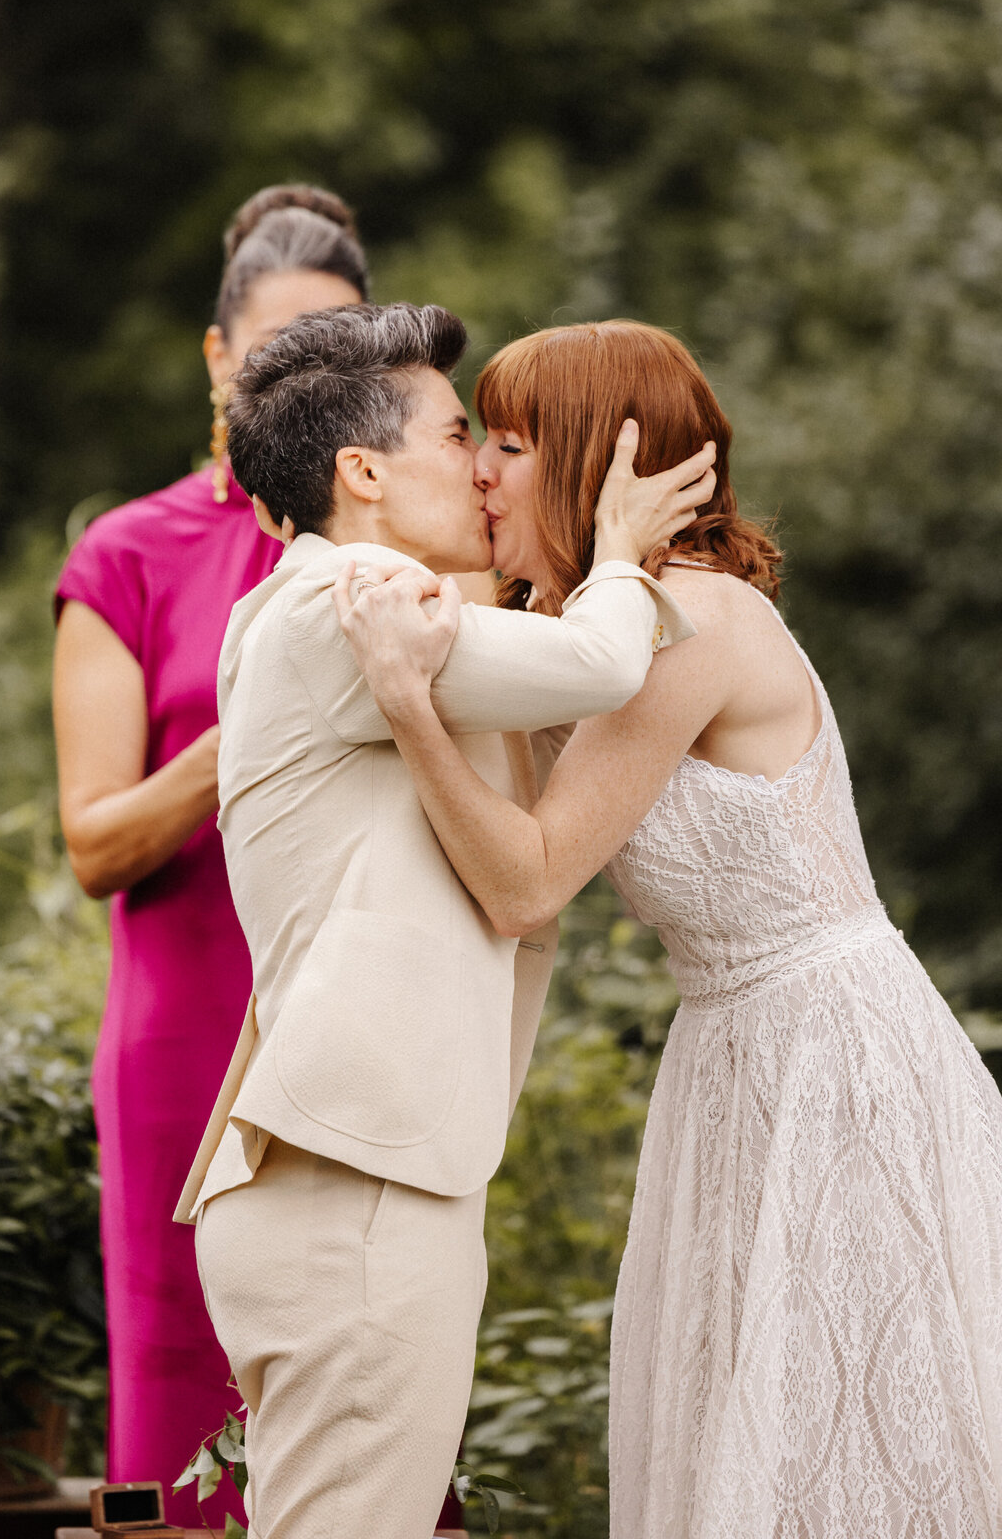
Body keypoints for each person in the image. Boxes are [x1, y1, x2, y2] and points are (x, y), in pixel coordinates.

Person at [336, 319, 1002, 1539]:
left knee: (833, 1438)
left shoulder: (691, 619)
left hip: (831, 1057)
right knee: (733, 1423)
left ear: (598, 460)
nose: (481, 468)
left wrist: (407, 709)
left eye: (515, 443)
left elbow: (529, 883)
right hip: (731, 1053)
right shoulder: (586, 625)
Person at [172, 301, 716, 1539]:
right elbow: (601, 666)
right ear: (361, 472)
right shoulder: (351, 601)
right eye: (456, 433)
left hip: (345, 1182)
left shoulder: (315, 606)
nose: (480, 466)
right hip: (353, 1190)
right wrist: (624, 548)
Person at [51, 184, 370, 1525]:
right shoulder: (127, 554)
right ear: (216, 356)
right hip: (185, 1040)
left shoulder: (392, 554)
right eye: (280, 347)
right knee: (184, 1430)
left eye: (342, 356)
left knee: (365, 1401)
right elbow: (94, 842)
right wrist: (251, 725)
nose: (307, 380)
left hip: (360, 1030)